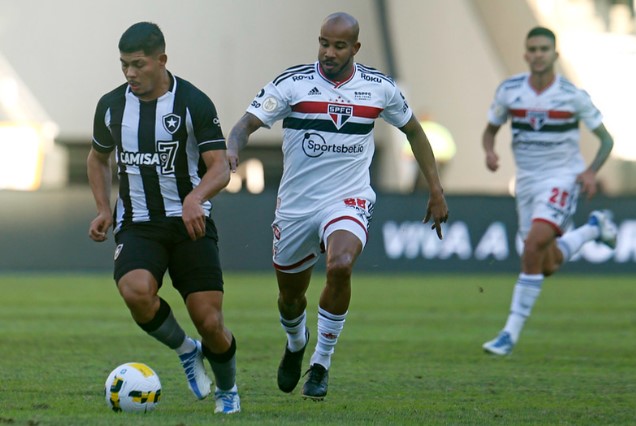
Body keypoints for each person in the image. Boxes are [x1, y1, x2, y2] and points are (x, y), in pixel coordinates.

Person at [227, 12, 448, 400]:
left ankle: (321, 363)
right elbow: (245, 125)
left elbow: (414, 130)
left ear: (355, 48)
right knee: (290, 298)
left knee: (340, 265)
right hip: (296, 206)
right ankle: (296, 343)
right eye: (324, 43)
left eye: (339, 46)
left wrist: (435, 189)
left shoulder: (379, 88)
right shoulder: (292, 83)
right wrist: (231, 150)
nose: (329, 52)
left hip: (348, 198)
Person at [87, 22, 240, 413]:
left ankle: (227, 390)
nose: (130, 74)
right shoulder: (111, 106)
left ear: (161, 60)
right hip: (139, 224)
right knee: (135, 291)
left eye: (138, 65)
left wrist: (196, 197)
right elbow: (97, 157)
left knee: (211, 323)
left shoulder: (194, 103)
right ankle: (187, 351)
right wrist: (104, 208)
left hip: (191, 223)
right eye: (124, 66)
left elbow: (220, 167)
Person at [481, 26, 617, 356]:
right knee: (545, 263)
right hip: (526, 181)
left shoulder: (572, 96)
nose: (539, 54)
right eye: (533, 49)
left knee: (532, 245)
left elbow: (607, 140)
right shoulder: (510, 91)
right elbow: (490, 131)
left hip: (562, 178)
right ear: (526, 54)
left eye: (545, 49)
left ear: (555, 54)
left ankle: (508, 334)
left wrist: (589, 171)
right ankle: (594, 229)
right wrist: (489, 151)